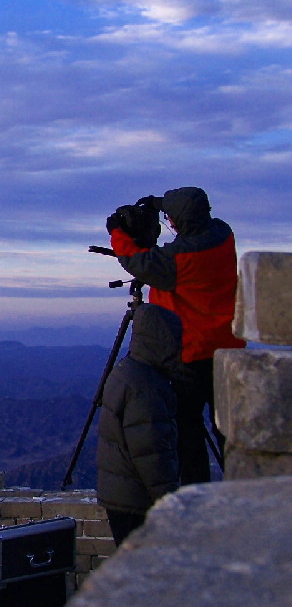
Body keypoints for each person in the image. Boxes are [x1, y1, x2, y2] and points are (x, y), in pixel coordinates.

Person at [108, 186, 245, 484]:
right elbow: (190, 218)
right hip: (229, 349)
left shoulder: (177, 259)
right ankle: (241, 491)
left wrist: (117, 232)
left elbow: (139, 262)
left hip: (189, 354)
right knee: (228, 429)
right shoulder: (224, 234)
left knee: (187, 428)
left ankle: (196, 494)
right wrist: (159, 204)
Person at [96, 303, 181, 547]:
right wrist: (170, 501)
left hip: (121, 495)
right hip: (137, 501)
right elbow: (151, 452)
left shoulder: (127, 369)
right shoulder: (146, 387)